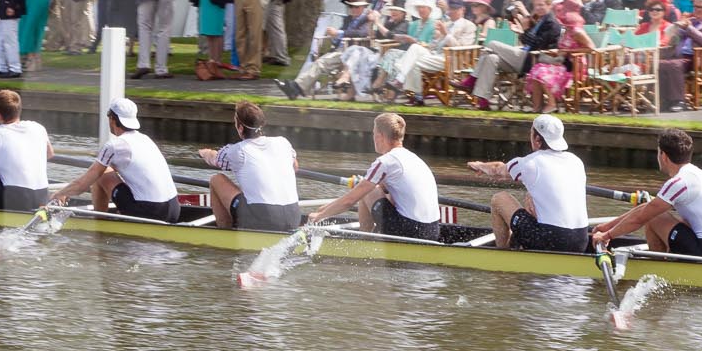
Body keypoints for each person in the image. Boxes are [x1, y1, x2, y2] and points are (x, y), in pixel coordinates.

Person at [591, 128, 702, 260]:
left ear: (663, 156)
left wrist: (606, 237)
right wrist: (606, 227)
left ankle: (657, 271)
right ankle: (662, 260)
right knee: (655, 212)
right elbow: (647, 207)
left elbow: (641, 217)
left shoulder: (679, 182)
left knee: (653, 216)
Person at [306, 112, 441, 240]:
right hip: (433, 231)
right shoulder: (414, 159)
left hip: (409, 232)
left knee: (367, 190)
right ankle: (367, 238)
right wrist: (323, 209)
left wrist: (320, 216)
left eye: (373, 133)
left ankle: (364, 242)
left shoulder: (385, 162)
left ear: (379, 136)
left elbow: (350, 200)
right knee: (375, 189)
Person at [467, 113, 590, 253]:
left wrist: (480, 165)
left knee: (499, 199)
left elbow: (497, 170)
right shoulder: (576, 161)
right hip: (581, 240)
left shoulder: (531, 163)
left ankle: (502, 254)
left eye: (530, 133)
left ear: (537, 139)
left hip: (551, 240)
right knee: (530, 199)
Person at [48, 97, 181, 220]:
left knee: (100, 173)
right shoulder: (145, 139)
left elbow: (84, 184)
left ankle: (100, 224)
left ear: (112, 119)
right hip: (174, 209)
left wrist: (61, 193)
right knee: (105, 169)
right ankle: (106, 216)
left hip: (151, 212)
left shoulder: (114, 145)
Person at [200, 101, 300, 231]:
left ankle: (225, 234)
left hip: (263, 219)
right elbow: (295, 167)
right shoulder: (283, 142)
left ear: (240, 128)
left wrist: (203, 153)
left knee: (216, 179)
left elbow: (214, 159)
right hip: (293, 217)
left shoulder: (237, 151)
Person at [465, 0, 562, 109]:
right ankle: (483, 100)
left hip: (532, 59)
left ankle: (471, 80)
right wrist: (520, 32)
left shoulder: (552, 24)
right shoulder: (541, 20)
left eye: (541, 5)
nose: (538, 8)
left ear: (549, 5)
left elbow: (537, 45)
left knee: (492, 44)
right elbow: (528, 41)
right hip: (525, 54)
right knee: (491, 58)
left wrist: (524, 30)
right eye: (536, 5)